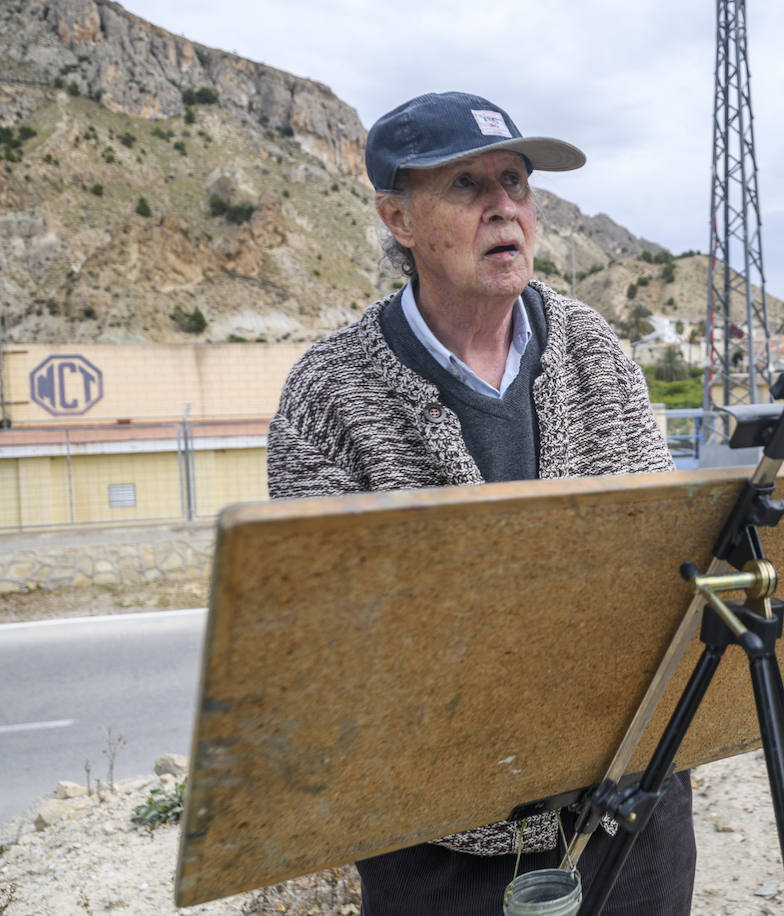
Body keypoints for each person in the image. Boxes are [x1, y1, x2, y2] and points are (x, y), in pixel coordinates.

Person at [266, 91, 695, 915]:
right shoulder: (329, 394)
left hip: (625, 816)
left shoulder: (592, 348)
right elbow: (325, 641)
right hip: (435, 840)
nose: (506, 207)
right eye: (468, 186)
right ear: (398, 218)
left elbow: (661, 557)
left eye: (516, 182)